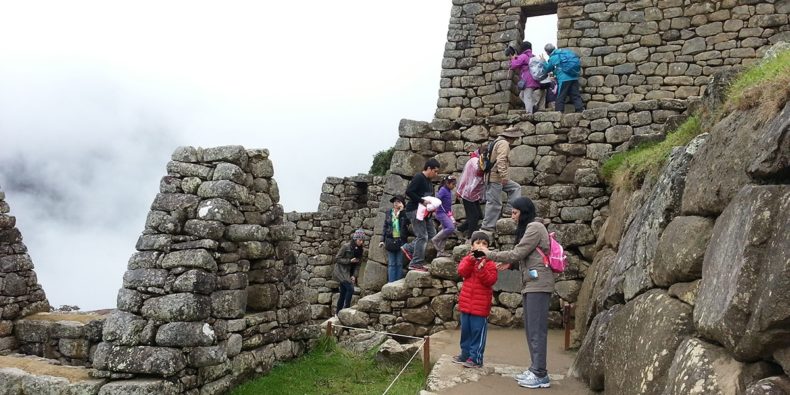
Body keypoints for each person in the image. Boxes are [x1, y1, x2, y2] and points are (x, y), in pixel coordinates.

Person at [482, 197, 553, 389]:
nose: (513, 217)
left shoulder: (535, 227)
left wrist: (488, 254)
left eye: (515, 212)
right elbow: (523, 257)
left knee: (536, 331)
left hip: (539, 285)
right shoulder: (531, 228)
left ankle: (540, 374)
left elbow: (518, 253)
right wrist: (511, 264)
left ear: (524, 212)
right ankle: (535, 368)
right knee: (531, 329)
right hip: (531, 284)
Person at [452, 231, 498, 368]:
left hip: (480, 306)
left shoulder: (490, 263)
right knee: (466, 331)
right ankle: (465, 354)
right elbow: (461, 271)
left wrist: (481, 269)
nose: (481, 246)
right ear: (471, 246)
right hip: (467, 304)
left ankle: (476, 357)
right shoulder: (468, 259)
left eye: (484, 244)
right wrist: (471, 261)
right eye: (477, 243)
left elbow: (490, 280)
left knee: (478, 332)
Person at [480, 128, 522, 232]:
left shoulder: (496, 142)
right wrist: (504, 176)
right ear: (511, 137)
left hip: (493, 176)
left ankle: (509, 211)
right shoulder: (504, 143)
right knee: (494, 203)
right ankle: (487, 226)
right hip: (495, 177)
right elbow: (501, 160)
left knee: (515, 188)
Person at [405, 158, 441, 272]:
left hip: (426, 213)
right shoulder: (419, 177)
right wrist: (421, 201)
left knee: (432, 234)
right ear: (429, 168)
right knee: (422, 236)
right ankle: (416, 263)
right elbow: (409, 191)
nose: (436, 174)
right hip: (415, 210)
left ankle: (408, 248)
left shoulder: (429, 182)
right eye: (435, 171)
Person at [542, 43, 584, 113]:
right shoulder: (565, 52)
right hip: (574, 77)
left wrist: (543, 62)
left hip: (564, 79)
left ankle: (559, 112)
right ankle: (580, 111)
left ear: (547, 52)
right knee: (575, 95)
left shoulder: (553, 57)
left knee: (561, 96)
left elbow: (548, 69)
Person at [457, 145, 487, 241]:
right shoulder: (474, 161)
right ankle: (471, 237)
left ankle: (459, 229)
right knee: (474, 216)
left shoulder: (475, 159)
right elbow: (467, 176)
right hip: (468, 193)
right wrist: (460, 190)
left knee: (477, 215)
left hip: (473, 193)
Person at [333, 228, 365, 315]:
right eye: (360, 240)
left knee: (343, 293)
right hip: (341, 272)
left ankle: (338, 313)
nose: (361, 242)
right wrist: (349, 261)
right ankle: (345, 311)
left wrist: (354, 276)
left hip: (349, 273)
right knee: (350, 289)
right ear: (355, 239)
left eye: (362, 240)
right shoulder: (346, 246)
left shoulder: (361, 250)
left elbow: (358, 265)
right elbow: (337, 259)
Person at [379, 195, 409, 282]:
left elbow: (408, 222)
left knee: (399, 263)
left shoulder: (404, 213)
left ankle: (397, 283)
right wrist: (382, 240)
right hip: (390, 240)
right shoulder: (389, 212)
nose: (396, 203)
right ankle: (391, 283)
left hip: (401, 241)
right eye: (395, 202)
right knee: (392, 264)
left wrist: (402, 211)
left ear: (402, 203)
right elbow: (385, 227)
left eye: (398, 202)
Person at [509, 41, 544, 114]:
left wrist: (512, 59)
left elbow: (513, 65)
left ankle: (529, 113)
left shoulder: (523, 56)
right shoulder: (533, 56)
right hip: (534, 79)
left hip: (527, 80)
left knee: (527, 96)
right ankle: (534, 105)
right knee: (521, 95)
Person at [431, 175, 457, 257]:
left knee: (446, 231)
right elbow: (437, 199)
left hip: (446, 213)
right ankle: (435, 239)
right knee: (450, 228)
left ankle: (440, 251)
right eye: (452, 184)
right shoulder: (443, 190)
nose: (454, 186)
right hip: (441, 213)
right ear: (447, 183)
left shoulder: (448, 190)